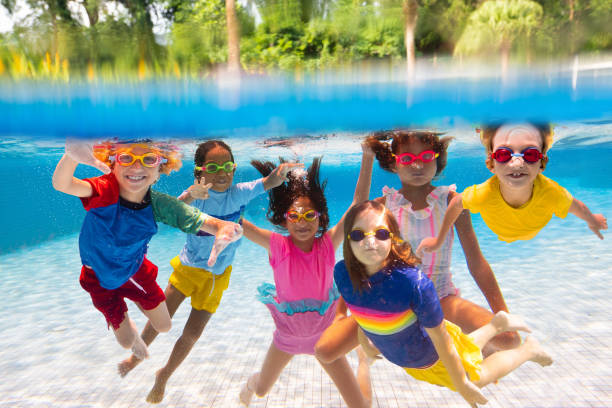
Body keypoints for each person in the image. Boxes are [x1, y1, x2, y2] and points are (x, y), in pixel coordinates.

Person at [117, 140, 302, 403]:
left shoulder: (239, 192)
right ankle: (135, 357)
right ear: (200, 171)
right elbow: (175, 207)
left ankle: (164, 376)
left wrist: (279, 174)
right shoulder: (198, 195)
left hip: (217, 275)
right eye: (213, 167)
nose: (222, 173)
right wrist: (192, 194)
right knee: (161, 318)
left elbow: (268, 183)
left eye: (228, 166)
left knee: (192, 334)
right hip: (189, 267)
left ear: (234, 168)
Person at [315, 131, 517, 370]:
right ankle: (381, 336)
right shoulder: (383, 206)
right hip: (388, 298)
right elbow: (355, 247)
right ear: (393, 162)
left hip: (440, 296)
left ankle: (463, 345)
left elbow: (477, 263)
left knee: (510, 339)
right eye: (407, 159)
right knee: (325, 351)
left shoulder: (452, 202)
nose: (418, 165)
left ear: (438, 158)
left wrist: (503, 313)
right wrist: (367, 157)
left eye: (426, 156)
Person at [335, 200, 553, 407]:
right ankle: (497, 325)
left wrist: (462, 384)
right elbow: (362, 309)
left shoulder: (414, 284)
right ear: (348, 239)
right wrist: (364, 340)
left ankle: (529, 350)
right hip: (412, 353)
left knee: (475, 378)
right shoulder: (343, 273)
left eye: (381, 234)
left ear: (393, 239)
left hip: (434, 354)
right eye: (358, 234)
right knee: (465, 350)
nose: (370, 242)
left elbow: (443, 342)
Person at [52, 139, 242, 363]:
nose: (136, 167)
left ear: (160, 170)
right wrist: (71, 157)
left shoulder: (158, 205)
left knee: (164, 325)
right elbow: (63, 184)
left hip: (135, 270)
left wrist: (223, 227)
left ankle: (138, 301)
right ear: (113, 163)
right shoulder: (102, 190)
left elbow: (196, 218)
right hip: (98, 278)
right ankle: (122, 315)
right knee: (125, 341)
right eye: (126, 158)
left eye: (149, 159)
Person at [238, 158, 372, 408]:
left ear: (320, 218)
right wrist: (215, 197)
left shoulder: (327, 244)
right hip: (286, 338)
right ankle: (249, 385)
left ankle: (364, 362)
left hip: (325, 339)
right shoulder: (277, 245)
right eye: (294, 216)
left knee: (360, 405)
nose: (302, 222)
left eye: (310, 215)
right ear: (284, 218)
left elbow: (358, 205)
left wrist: (368, 155)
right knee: (261, 390)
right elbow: (237, 222)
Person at [417, 123, 607, 256]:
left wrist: (592, 220)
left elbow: (578, 206)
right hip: (500, 231)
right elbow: (456, 204)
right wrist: (438, 240)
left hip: (533, 230)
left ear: (542, 163)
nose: (517, 162)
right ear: (491, 163)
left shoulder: (551, 193)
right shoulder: (484, 194)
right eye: (503, 154)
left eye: (530, 154)